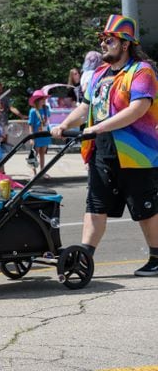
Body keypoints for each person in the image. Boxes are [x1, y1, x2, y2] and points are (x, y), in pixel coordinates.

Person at [51, 14, 158, 277]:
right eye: (101, 39)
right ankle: (84, 257)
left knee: (144, 208)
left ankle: (156, 257)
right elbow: (85, 106)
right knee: (95, 206)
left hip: (136, 153)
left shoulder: (142, 71)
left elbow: (137, 109)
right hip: (102, 150)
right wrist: (64, 124)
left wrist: (97, 126)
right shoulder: (99, 74)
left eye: (108, 40)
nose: (103, 44)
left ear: (125, 44)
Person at [27, 89, 51, 176]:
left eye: (44, 98)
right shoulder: (33, 111)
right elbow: (31, 124)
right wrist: (31, 137)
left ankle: (42, 171)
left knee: (42, 153)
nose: (44, 100)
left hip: (44, 134)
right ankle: (33, 171)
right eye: (42, 99)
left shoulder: (46, 109)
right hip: (36, 135)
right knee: (35, 153)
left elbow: (48, 121)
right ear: (37, 100)